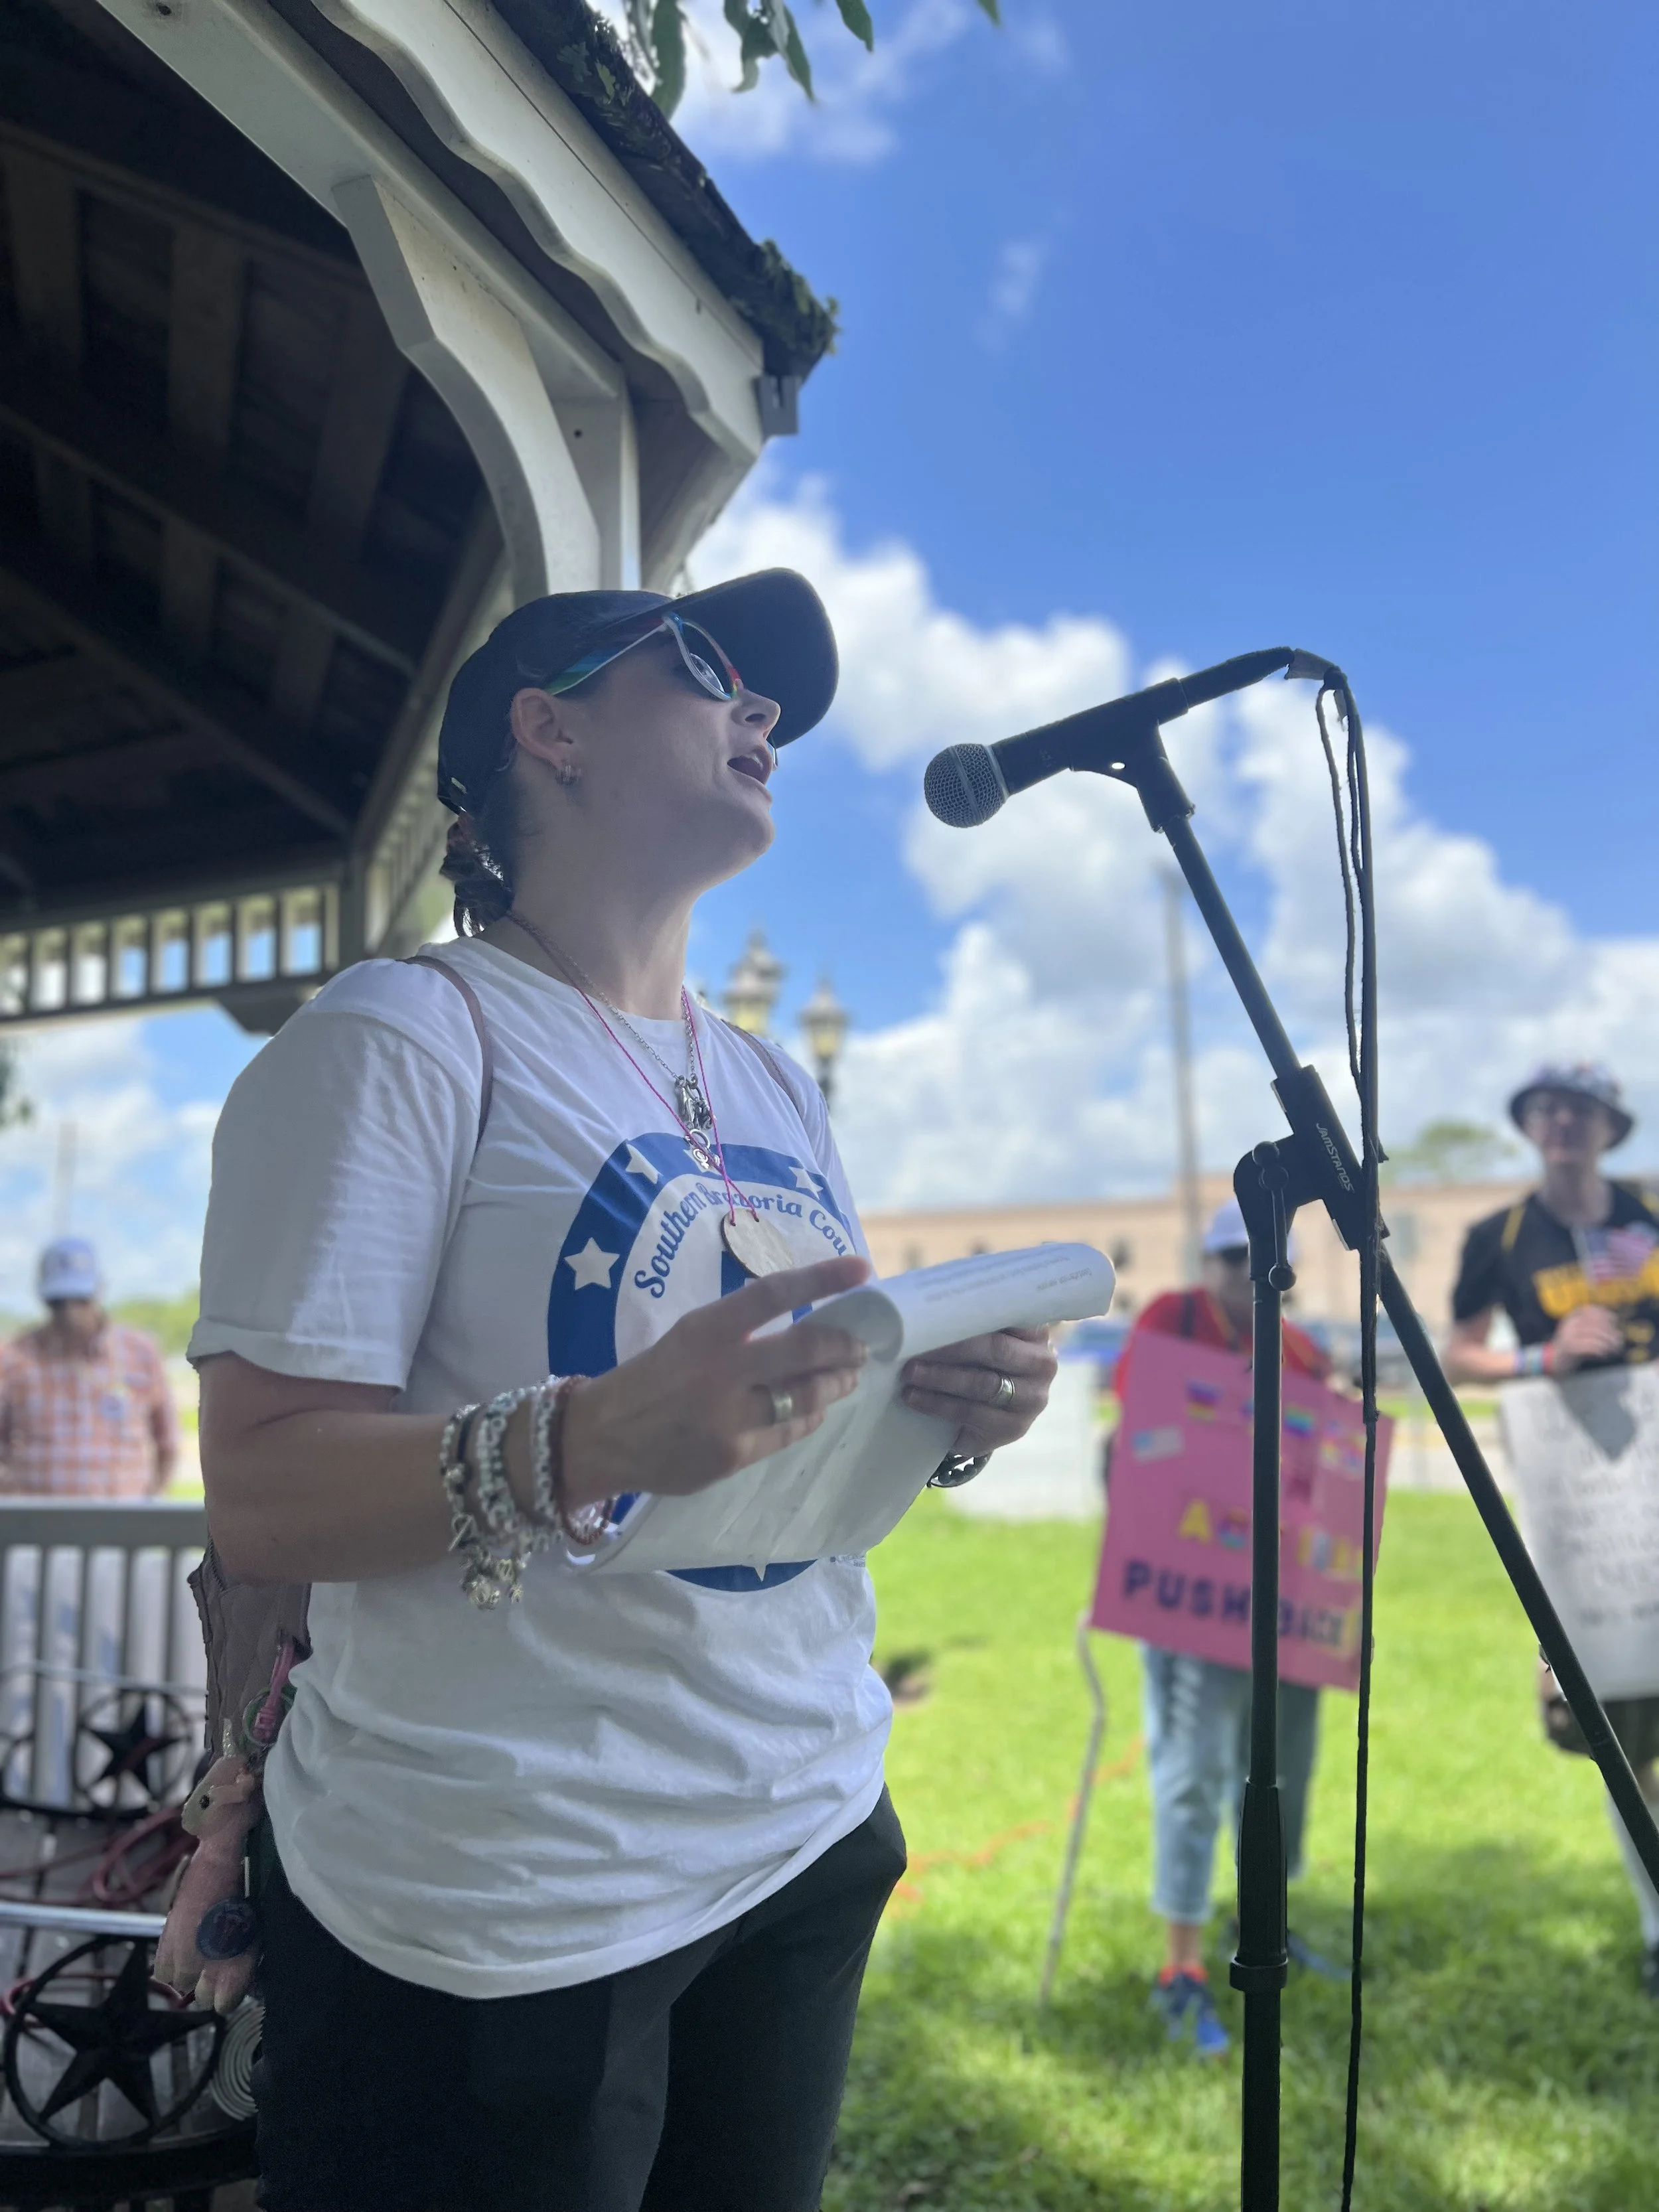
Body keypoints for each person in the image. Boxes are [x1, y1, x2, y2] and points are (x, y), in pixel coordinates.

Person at [189, 573, 1058, 2212]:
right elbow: (265, 1492)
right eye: (715, 673)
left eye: (773, 699)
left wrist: (939, 1407)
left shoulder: (774, 1080)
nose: (766, 716)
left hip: (803, 1818)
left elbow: (776, 1429)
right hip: (500, 1893)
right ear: (549, 726)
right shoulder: (401, 1037)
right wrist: (587, 1437)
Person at [1445, 1061, 1659, 1992]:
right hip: (1581, 1505)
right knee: (1616, 1720)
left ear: (1613, 1124)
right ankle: (1658, 1926)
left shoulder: (1649, 1216)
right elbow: (1457, 1353)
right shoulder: (1499, 1236)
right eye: (1547, 1108)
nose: (1563, 1121)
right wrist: (1543, 1353)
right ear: (1529, 1124)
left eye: (1582, 1108)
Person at [1113, 1198, 1333, 2057]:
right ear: (1207, 1263)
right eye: (1233, 1256)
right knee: (1194, 1772)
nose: (1250, 1274)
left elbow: (1328, 1468)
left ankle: (1263, 1927)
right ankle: (1182, 1966)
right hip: (1191, 1595)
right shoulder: (1175, 1320)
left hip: (1291, 1603)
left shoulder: (1303, 1347)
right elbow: (1145, 1428)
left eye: (1265, 1259)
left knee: (1287, 1772)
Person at [0, 1238, 178, 1497]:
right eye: (58, 1302)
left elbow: (167, 1441)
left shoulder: (140, 1352)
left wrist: (149, 1502)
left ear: (99, 1290)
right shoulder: (13, 1358)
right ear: (42, 1297)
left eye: (80, 1300)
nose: (70, 1313)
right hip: (36, 1526)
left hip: (120, 1523)